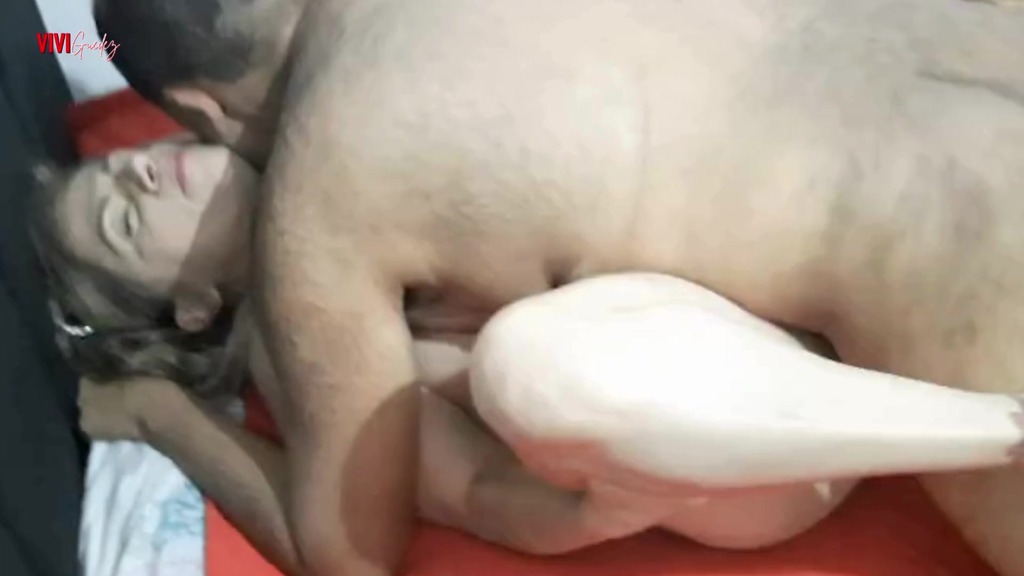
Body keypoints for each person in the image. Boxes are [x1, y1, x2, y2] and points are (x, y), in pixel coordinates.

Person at [93, 1, 1024, 575]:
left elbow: (345, 553)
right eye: (116, 214)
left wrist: (158, 415)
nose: (139, 174)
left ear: (203, 113)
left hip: (963, 257)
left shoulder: (325, 184)